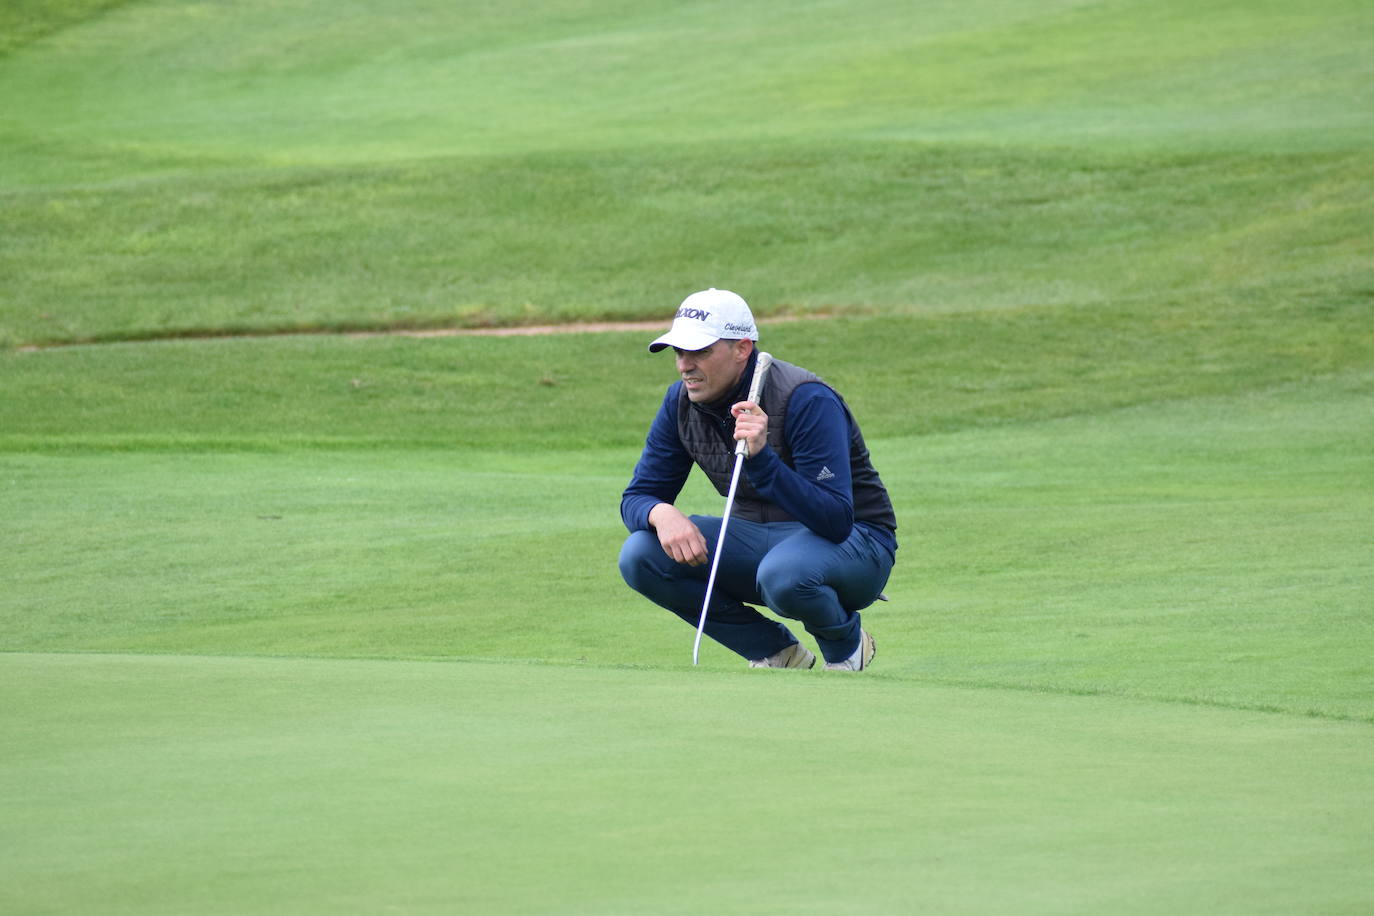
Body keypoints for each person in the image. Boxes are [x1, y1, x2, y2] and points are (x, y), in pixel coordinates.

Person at [618, 288, 897, 670]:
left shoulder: (806, 399)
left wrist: (762, 459)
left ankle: (846, 646)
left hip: (857, 545)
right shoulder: (680, 402)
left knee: (784, 573)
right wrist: (660, 513)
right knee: (640, 555)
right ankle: (774, 651)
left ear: (742, 349)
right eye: (678, 352)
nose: (684, 365)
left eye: (699, 352)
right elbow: (638, 495)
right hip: (761, 544)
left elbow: (835, 519)